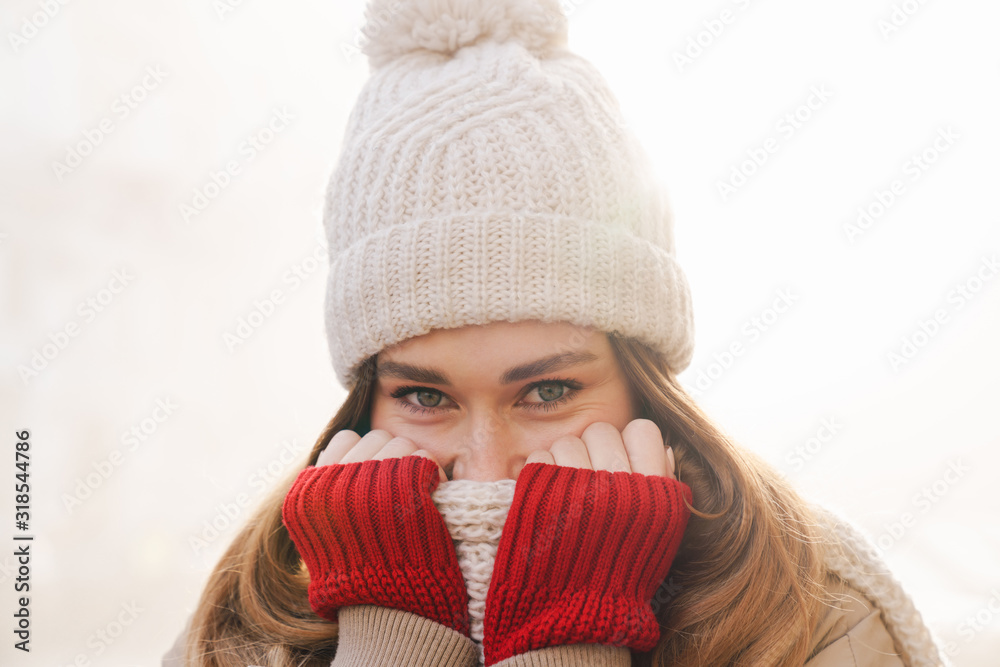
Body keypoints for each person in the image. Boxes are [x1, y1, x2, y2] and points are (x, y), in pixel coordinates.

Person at [164, 1, 950, 665]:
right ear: (367, 399)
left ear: (645, 381)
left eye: (547, 390)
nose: (487, 463)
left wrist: (571, 632)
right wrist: (385, 632)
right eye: (424, 395)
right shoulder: (258, 608)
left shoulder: (807, 609)